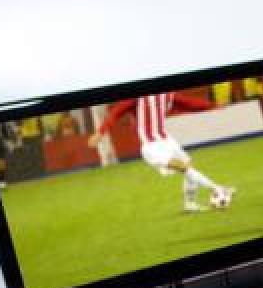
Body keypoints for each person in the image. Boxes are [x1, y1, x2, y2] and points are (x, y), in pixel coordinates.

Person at [87, 91, 234, 213]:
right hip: (152, 146)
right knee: (184, 168)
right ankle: (218, 188)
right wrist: (101, 132)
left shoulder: (167, 94)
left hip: (167, 140)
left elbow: (189, 104)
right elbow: (116, 112)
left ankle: (190, 204)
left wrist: (212, 106)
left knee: (189, 168)